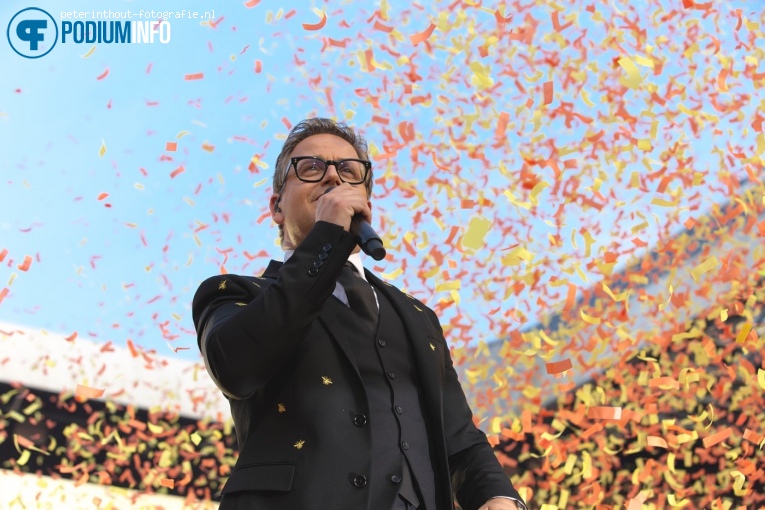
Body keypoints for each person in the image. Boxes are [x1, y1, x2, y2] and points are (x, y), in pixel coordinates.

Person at [192, 118, 526, 510]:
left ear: (366, 200)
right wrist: (327, 238)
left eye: (349, 171)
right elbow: (236, 366)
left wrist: (498, 496)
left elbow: (458, 436)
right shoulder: (237, 294)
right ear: (276, 206)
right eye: (312, 168)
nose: (333, 177)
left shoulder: (418, 316)